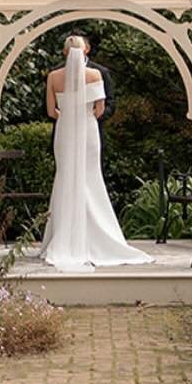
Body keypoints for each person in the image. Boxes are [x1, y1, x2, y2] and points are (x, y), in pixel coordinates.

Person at [39, 34, 151, 270]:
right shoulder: (94, 75)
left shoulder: (53, 77)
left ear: (64, 52)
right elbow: (100, 109)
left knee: (65, 177)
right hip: (88, 130)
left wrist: (68, 117)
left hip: (65, 129)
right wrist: (84, 117)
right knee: (91, 177)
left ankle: (62, 236)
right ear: (85, 51)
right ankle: (97, 235)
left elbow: (51, 111)